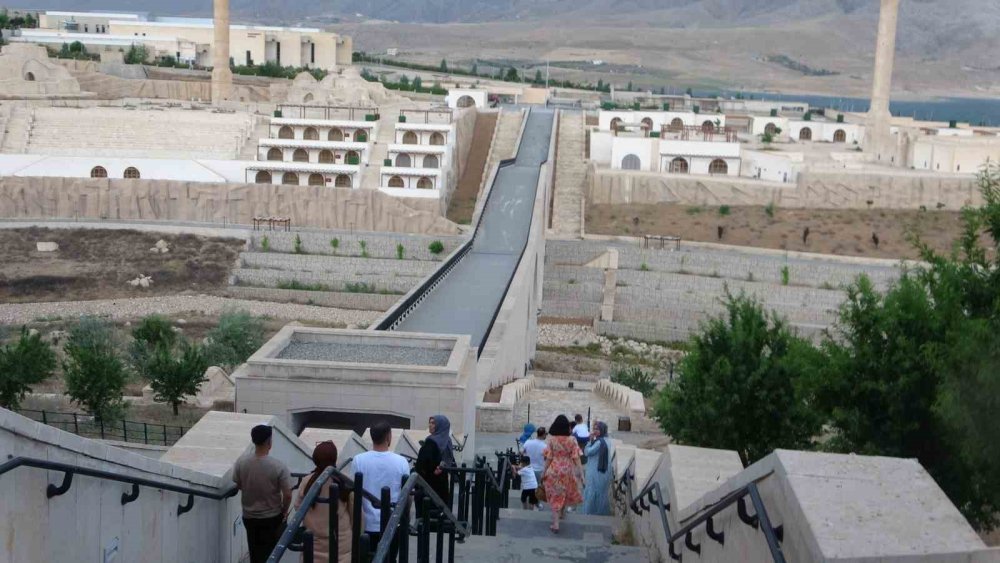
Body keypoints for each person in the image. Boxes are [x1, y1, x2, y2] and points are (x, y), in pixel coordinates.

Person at [232, 424, 293, 563]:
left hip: (249, 516)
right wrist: (284, 511)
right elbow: (288, 494)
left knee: (254, 552)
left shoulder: (242, 462)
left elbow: (238, 483)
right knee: (271, 553)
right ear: (269, 442)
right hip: (272, 517)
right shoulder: (278, 466)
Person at [353, 422, 411, 555]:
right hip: (392, 523)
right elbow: (407, 494)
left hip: (366, 524)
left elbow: (353, 492)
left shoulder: (358, 460)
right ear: (388, 437)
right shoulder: (401, 462)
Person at [296, 441, 357, 563]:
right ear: (335, 458)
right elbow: (356, 515)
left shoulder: (307, 482)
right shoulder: (345, 482)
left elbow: (298, 507)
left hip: (313, 546)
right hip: (341, 547)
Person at [542, 415, 583, 534]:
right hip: (567, 470)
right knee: (564, 491)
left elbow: (548, 458)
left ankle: (555, 524)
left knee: (555, 494)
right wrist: (581, 473)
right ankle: (562, 513)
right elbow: (576, 458)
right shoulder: (572, 440)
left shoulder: (552, 440)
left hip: (554, 470)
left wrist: (544, 472)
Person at [416, 415, 454, 505]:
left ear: (440, 425)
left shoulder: (430, 442)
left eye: (433, 423)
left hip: (429, 485)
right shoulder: (447, 441)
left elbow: (421, 465)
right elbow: (450, 461)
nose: (430, 425)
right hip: (442, 484)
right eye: (430, 422)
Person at [582, 421, 614, 516]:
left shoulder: (599, 442)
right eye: (594, 429)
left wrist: (589, 442)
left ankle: (590, 512)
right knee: (601, 492)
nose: (595, 431)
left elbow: (587, 452)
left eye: (597, 429)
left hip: (595, 472)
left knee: (592, 491)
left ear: (602, 430)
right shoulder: (607, 440)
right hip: (603, 471)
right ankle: (600, 512)